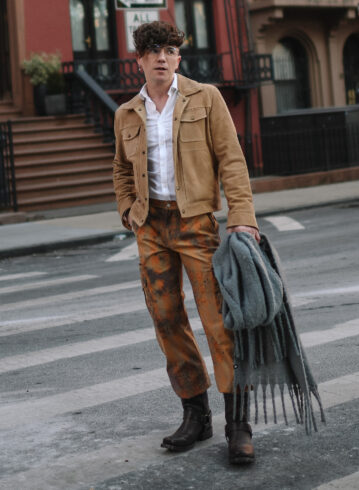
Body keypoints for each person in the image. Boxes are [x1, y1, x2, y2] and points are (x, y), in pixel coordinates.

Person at [112, 20, 260, 465]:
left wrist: (242, 216)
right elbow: (121, 170)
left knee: (219, 322)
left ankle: (238, 423)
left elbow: (231, 160)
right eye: (153, 50)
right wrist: (128, 212)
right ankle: (196, 414)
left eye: (170, 50)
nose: (162, 57)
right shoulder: (127, 113)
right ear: (139, 59)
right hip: (151, 226)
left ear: (178, 57)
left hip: (196, 224)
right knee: (166, 319)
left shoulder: (205, 97)